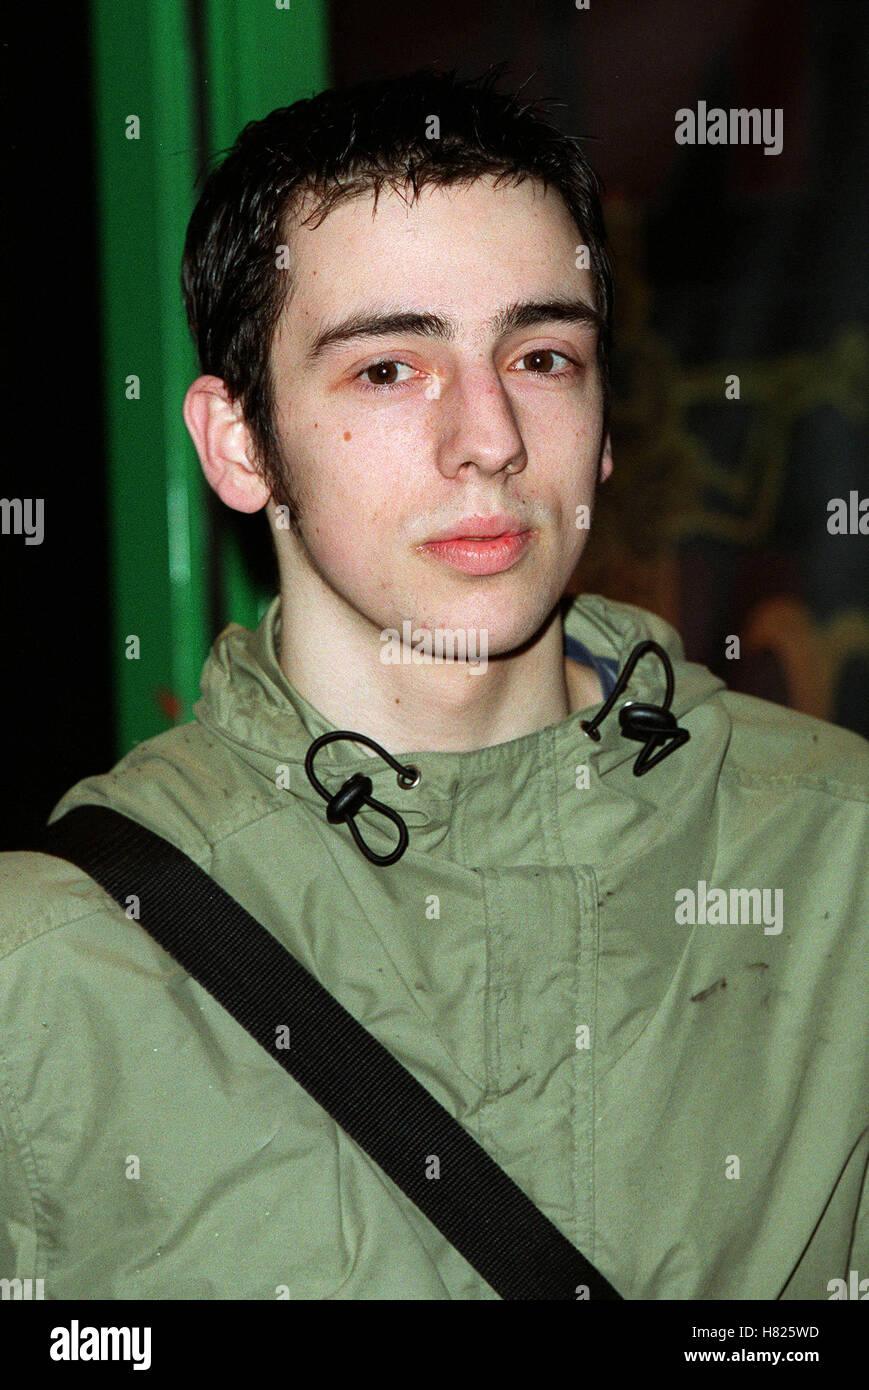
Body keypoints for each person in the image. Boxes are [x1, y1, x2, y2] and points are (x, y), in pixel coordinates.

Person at [0, 69, 866, 1302]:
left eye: (542, 356)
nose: (489, 438)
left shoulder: (835, 861)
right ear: (239, 445)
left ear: (605, 421)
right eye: (387, 370)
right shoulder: (51, 966)